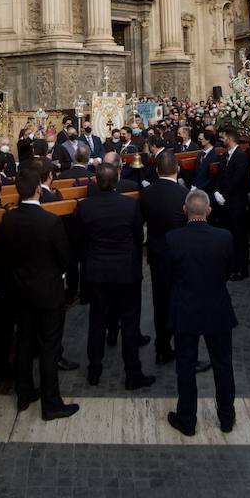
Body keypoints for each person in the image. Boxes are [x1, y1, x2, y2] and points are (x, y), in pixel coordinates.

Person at [0, 162, 79, 420]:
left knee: (23, 341)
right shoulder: (50, 221)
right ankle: (51, 402)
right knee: (49, 346)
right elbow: (66, 258)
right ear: (37, 190)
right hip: (47, 291)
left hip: (20, 290)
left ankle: (24, 393)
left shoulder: (8, 218)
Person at [166, 188, 238, 436]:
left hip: (185, 309)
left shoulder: (173, 239)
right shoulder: (224, 237)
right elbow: (229, 270)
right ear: (208, 210)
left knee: (185, 367)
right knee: (223, 365)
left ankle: (187, 420)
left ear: (185, 211)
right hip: (217, 308)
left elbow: (168, 275)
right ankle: (227, 417)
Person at [79, 162, 154, 389]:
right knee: (130, 322)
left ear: (96, 181)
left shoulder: (85, 206)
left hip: (98, 271)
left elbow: (82, 239)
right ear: (117, 179)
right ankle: (133, 373)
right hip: (125, 271)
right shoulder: (130, 205)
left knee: (97, 321)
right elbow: (136, 236)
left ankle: (94, 369)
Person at [138, 151, 188, 365]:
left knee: (160, 302)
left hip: (157, 255)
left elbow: (141, 223)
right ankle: (183, 348)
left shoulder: (146, 194)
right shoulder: (184, 194)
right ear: (177, 169)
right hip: (180, 256)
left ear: (157, 171)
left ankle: (162, 346)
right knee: (181, 302)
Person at [215, 126, 250, 279]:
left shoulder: (241, 156)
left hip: (236, 203)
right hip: (225, 204)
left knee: (239, 237)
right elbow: (220, 177)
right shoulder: (224, 156)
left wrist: (225, 194)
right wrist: (217, 191)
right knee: (228, 236)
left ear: (229, 138)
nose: (220, 140)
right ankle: (230, 266)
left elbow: (238, 178)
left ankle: (241, 269)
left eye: (222, 137)